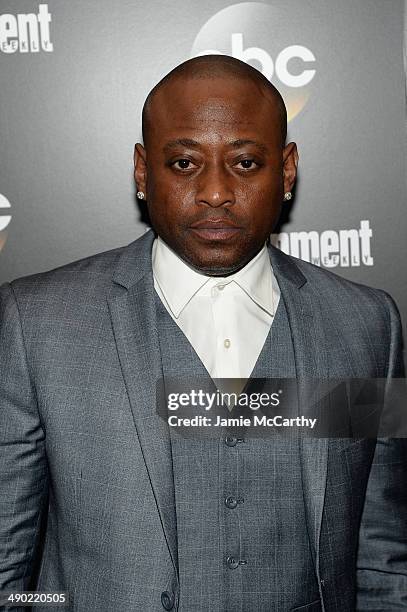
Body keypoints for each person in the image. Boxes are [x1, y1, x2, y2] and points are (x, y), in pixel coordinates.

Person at [0, 55, 405, 612]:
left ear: (286, 171)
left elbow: (381, 556)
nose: (216, 191)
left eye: (244, 161)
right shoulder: (38, 323)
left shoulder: (365, 326)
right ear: (143, 172)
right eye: (185, 163)